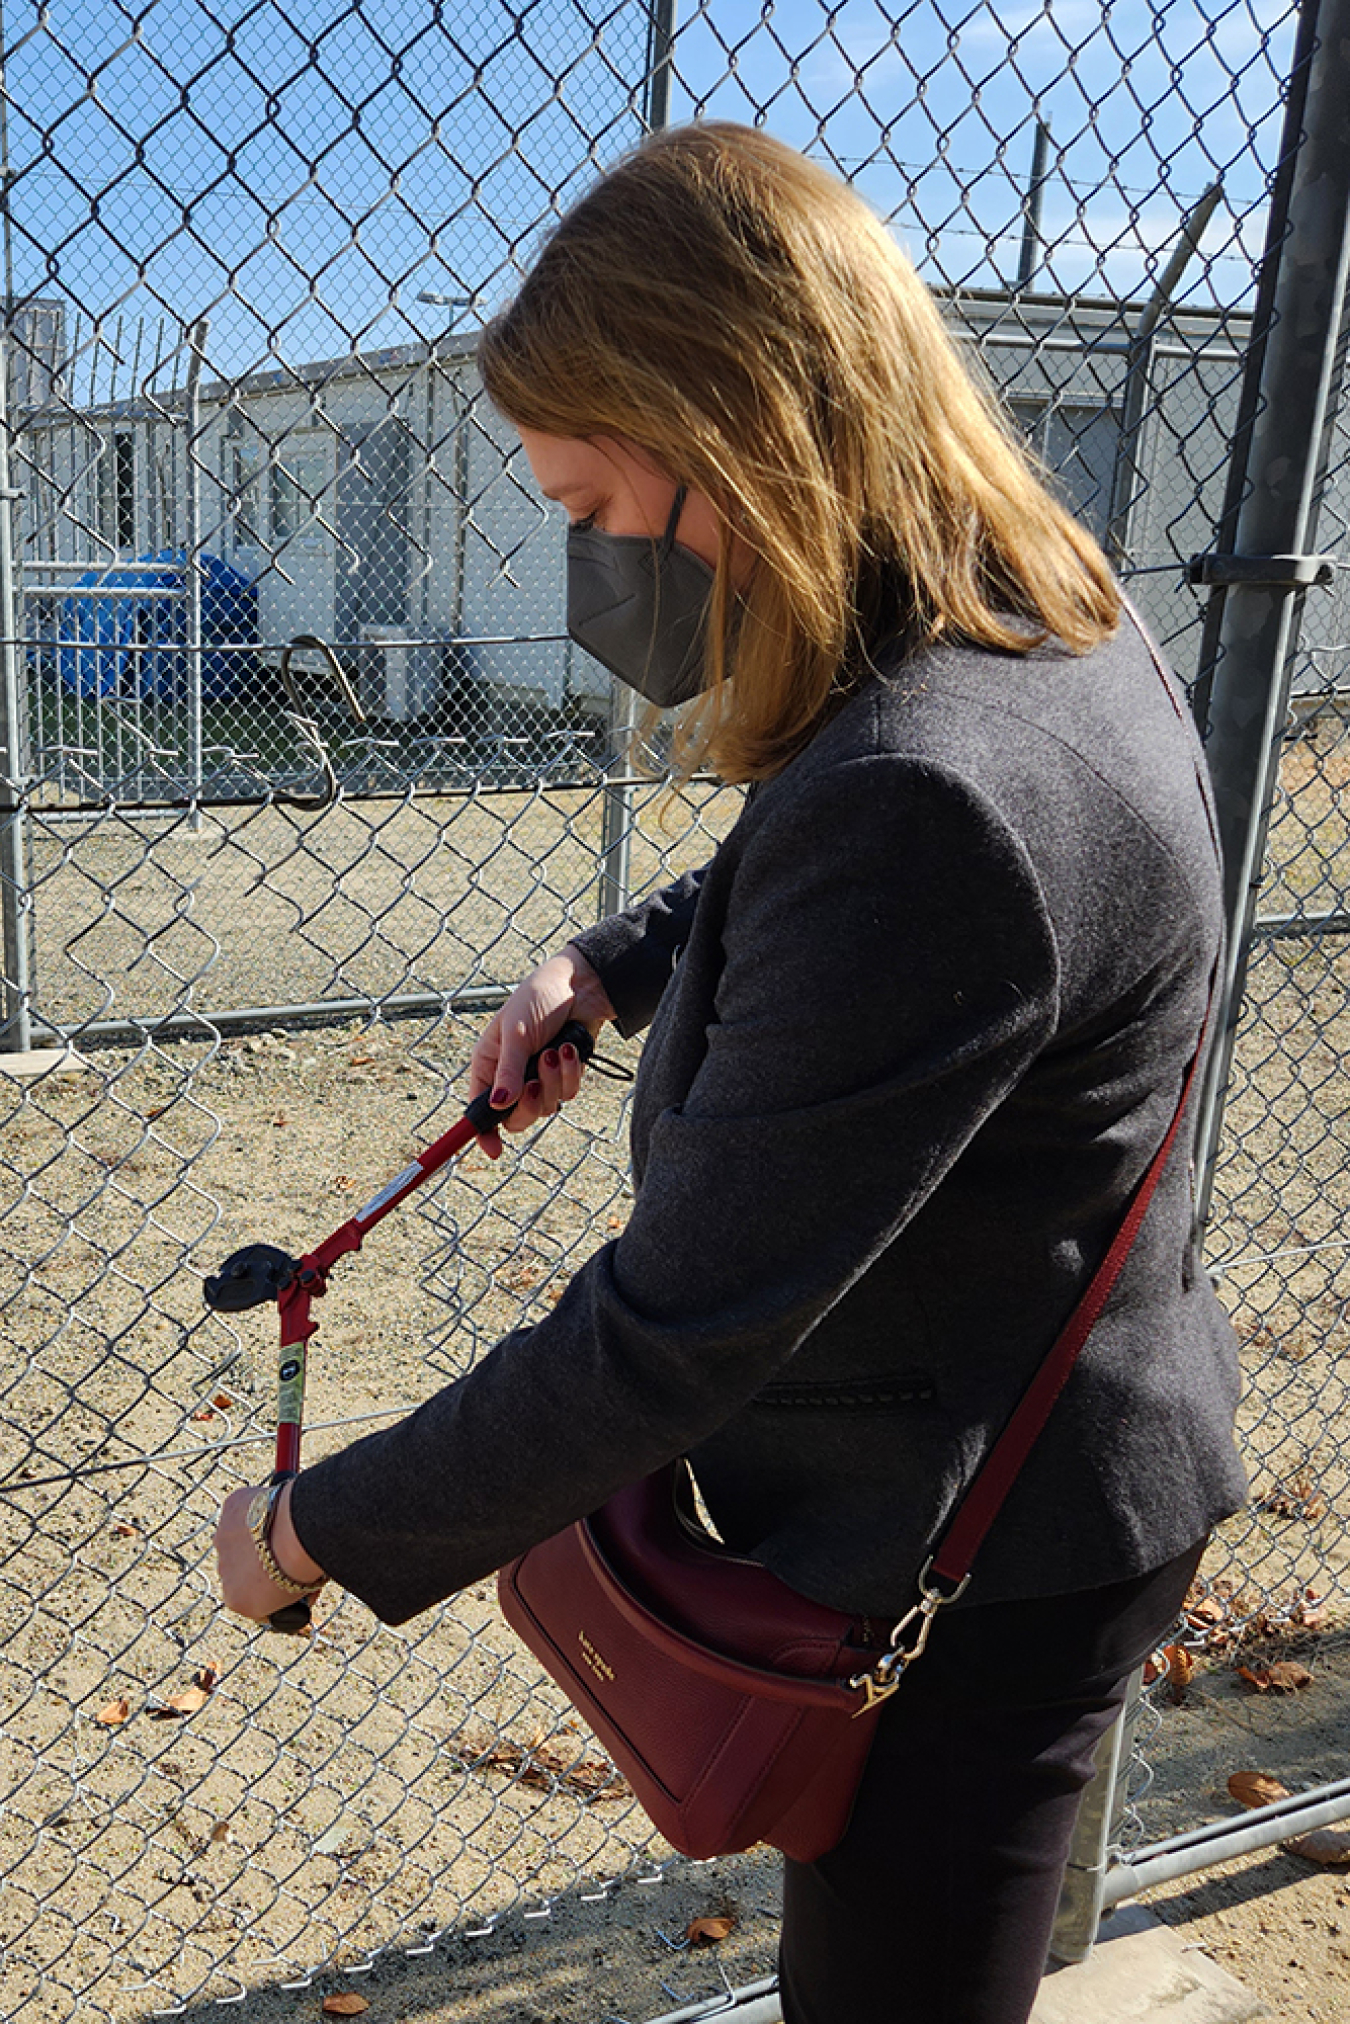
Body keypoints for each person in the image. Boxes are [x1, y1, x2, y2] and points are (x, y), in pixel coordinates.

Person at [216, 123, 1247, 2024]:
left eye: (599, 503)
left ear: (750, 428)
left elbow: (669, 1335)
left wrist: (310, 1531)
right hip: (1037, 1480)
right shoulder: (1040, 633)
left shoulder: (931, 785)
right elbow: (811, 874)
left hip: (975, 1558)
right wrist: (604, 964)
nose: (588, 563)